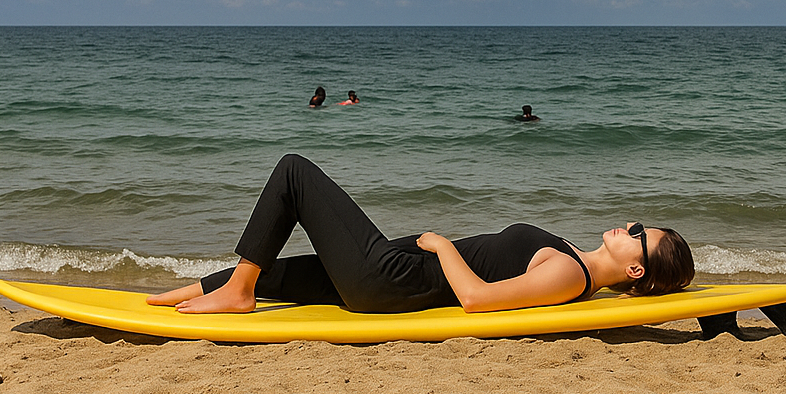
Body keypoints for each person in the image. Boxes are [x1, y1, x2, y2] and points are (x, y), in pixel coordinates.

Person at [148, 154, 694, 314]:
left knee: (294, 172)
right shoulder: (572, 260)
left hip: (392, 279)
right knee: (283, 274)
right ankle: (195, 292)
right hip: (391, 274)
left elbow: (477, 299)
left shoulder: (569, 275)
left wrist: (444, 246)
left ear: (636, 268)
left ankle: (238, 291)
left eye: (638, 233)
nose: (629, 224)